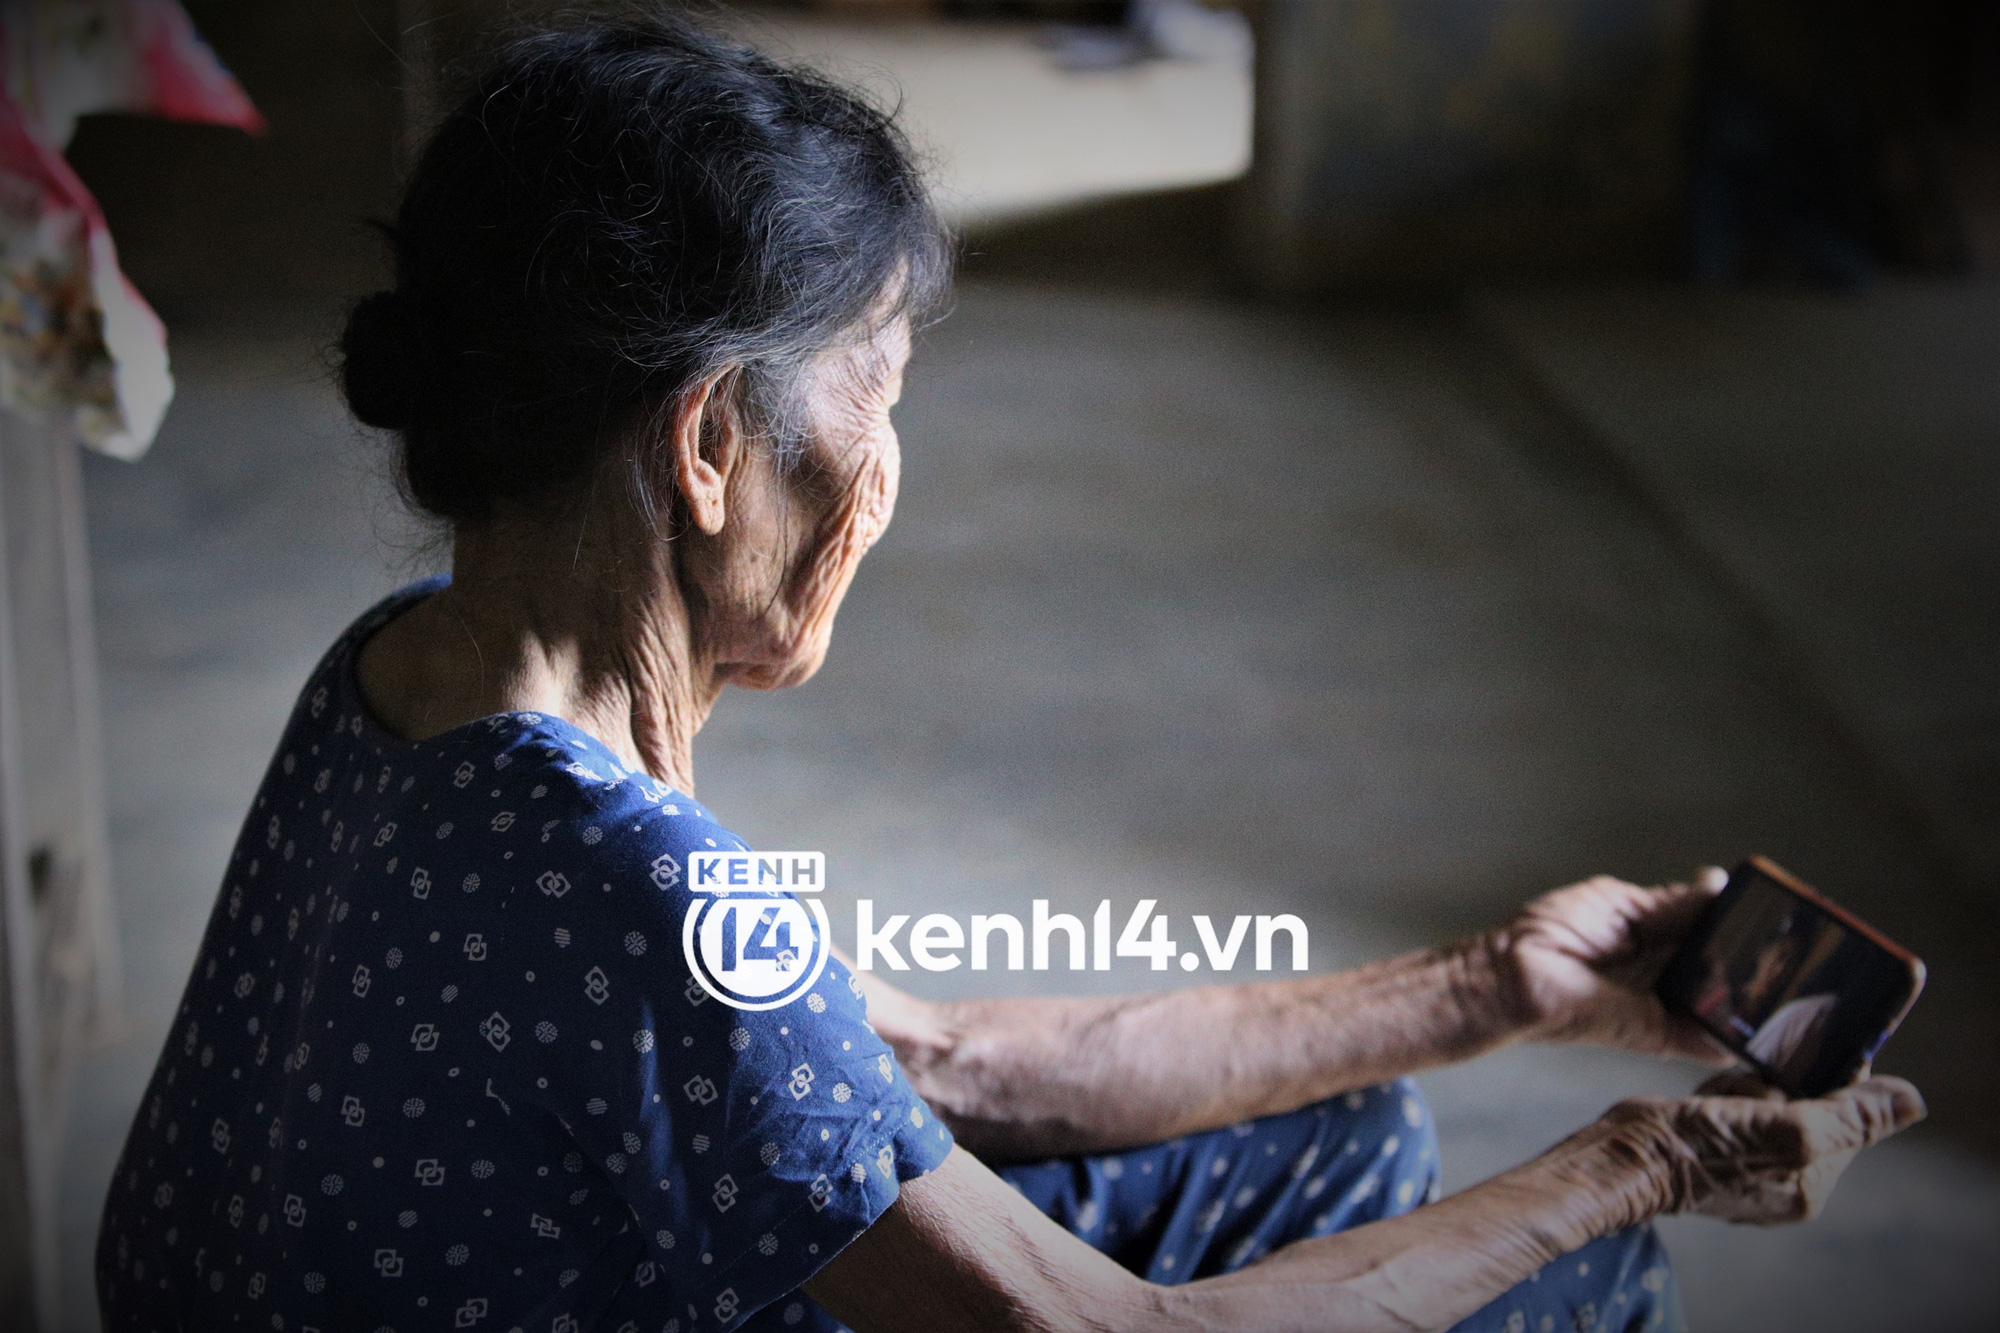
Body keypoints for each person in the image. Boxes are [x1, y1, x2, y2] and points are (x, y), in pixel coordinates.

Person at [96, 15, 1924, 1333]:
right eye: (877, 400)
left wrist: (1499, 982)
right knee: (1575, 1277)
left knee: (1341, 1128)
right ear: (712, 440)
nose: (888, 482)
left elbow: (938, 1059)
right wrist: (1639, 1164)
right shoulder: (631, 888)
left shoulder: (406, 670)